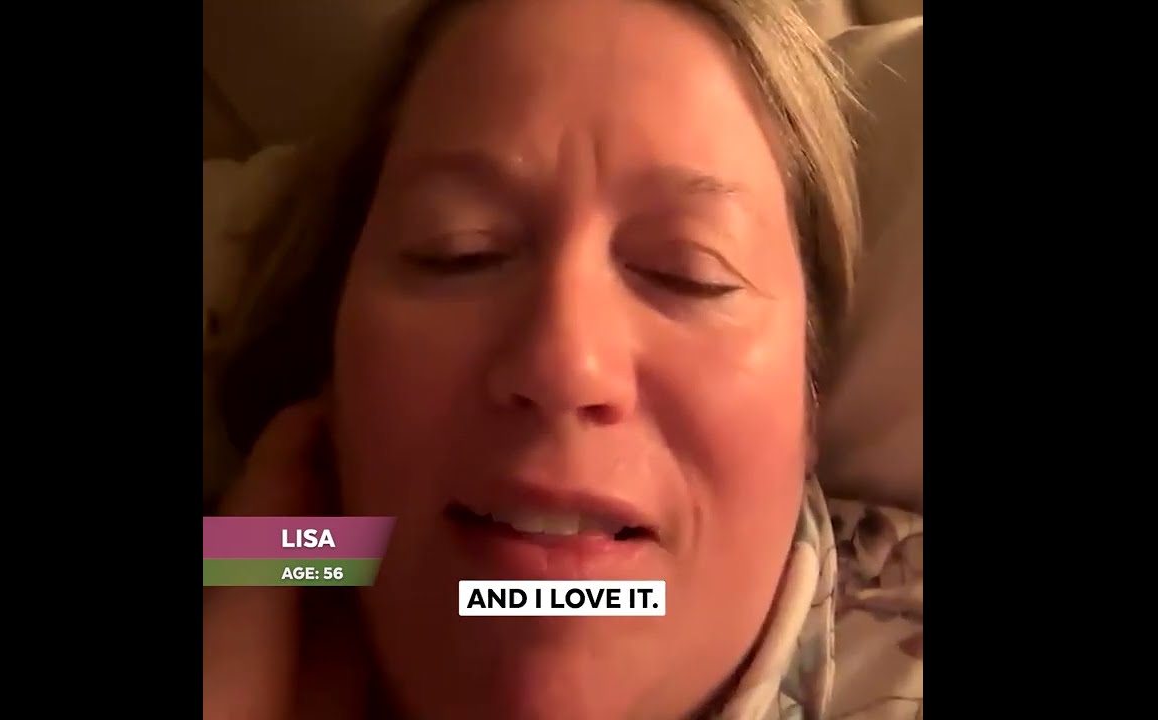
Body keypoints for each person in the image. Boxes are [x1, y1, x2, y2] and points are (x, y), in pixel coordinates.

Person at [203, 0, 923, 718]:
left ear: (809, 397)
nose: (565, 362)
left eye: (687, 272)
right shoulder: (290, 557)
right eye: (459, 250)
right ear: (331, 357)